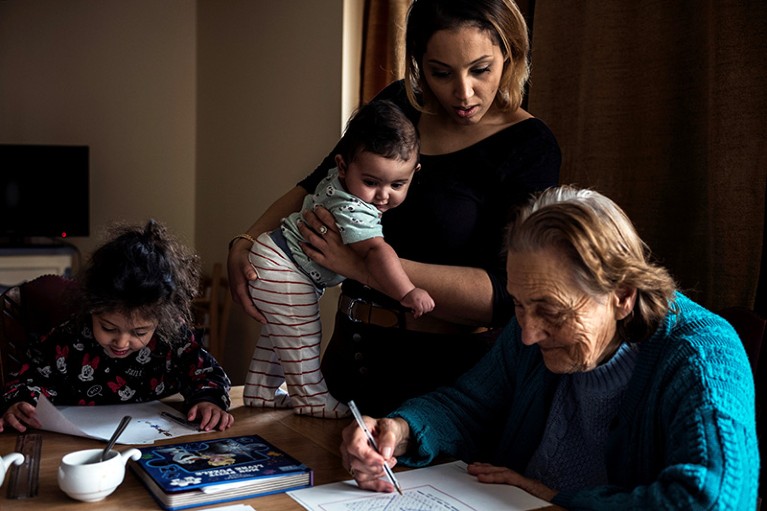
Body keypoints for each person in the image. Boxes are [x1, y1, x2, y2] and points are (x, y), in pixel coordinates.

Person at [228, 0, 561, 416]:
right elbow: (317, 182)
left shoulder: (529, 146)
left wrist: (363, 266)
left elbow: (506, 295)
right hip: (345, 358)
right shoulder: (399, 105)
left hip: (441, 381)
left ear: (510, 54)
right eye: (441, 72)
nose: (463, 92)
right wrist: (246, 241)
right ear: (419, 63)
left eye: (481, 69)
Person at [339, 185, 760, 509]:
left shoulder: (702, 355)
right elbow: (468, 405)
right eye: (519, 306)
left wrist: (555, 498)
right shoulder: (530, 323)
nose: (527, 335)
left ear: (622, 295)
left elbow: (711, 500)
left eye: (552, 312)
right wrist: (400, 431)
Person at [241, 99, 433, 418]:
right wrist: (406, 292)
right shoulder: (354, 208)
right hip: (284, 267)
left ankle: (260, 391)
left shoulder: (337, 181)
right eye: (371, 182)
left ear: (416, 171)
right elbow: (376, 252)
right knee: (303, 334)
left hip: (273, 257)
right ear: (343, 167)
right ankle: (311, 398)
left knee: (281, 334)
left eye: (398, 184)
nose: (383, 195)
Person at [0, 220, 235, 433]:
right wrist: (21, 403)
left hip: (152, 441)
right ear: (92, 308)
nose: (121, 343)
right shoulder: (68, 338)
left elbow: (207, 373)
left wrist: (208, 401)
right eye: (109, 328)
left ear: (161, 320)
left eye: (139, 332)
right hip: (72, 446)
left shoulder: (173, 338)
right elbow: (26, 378)